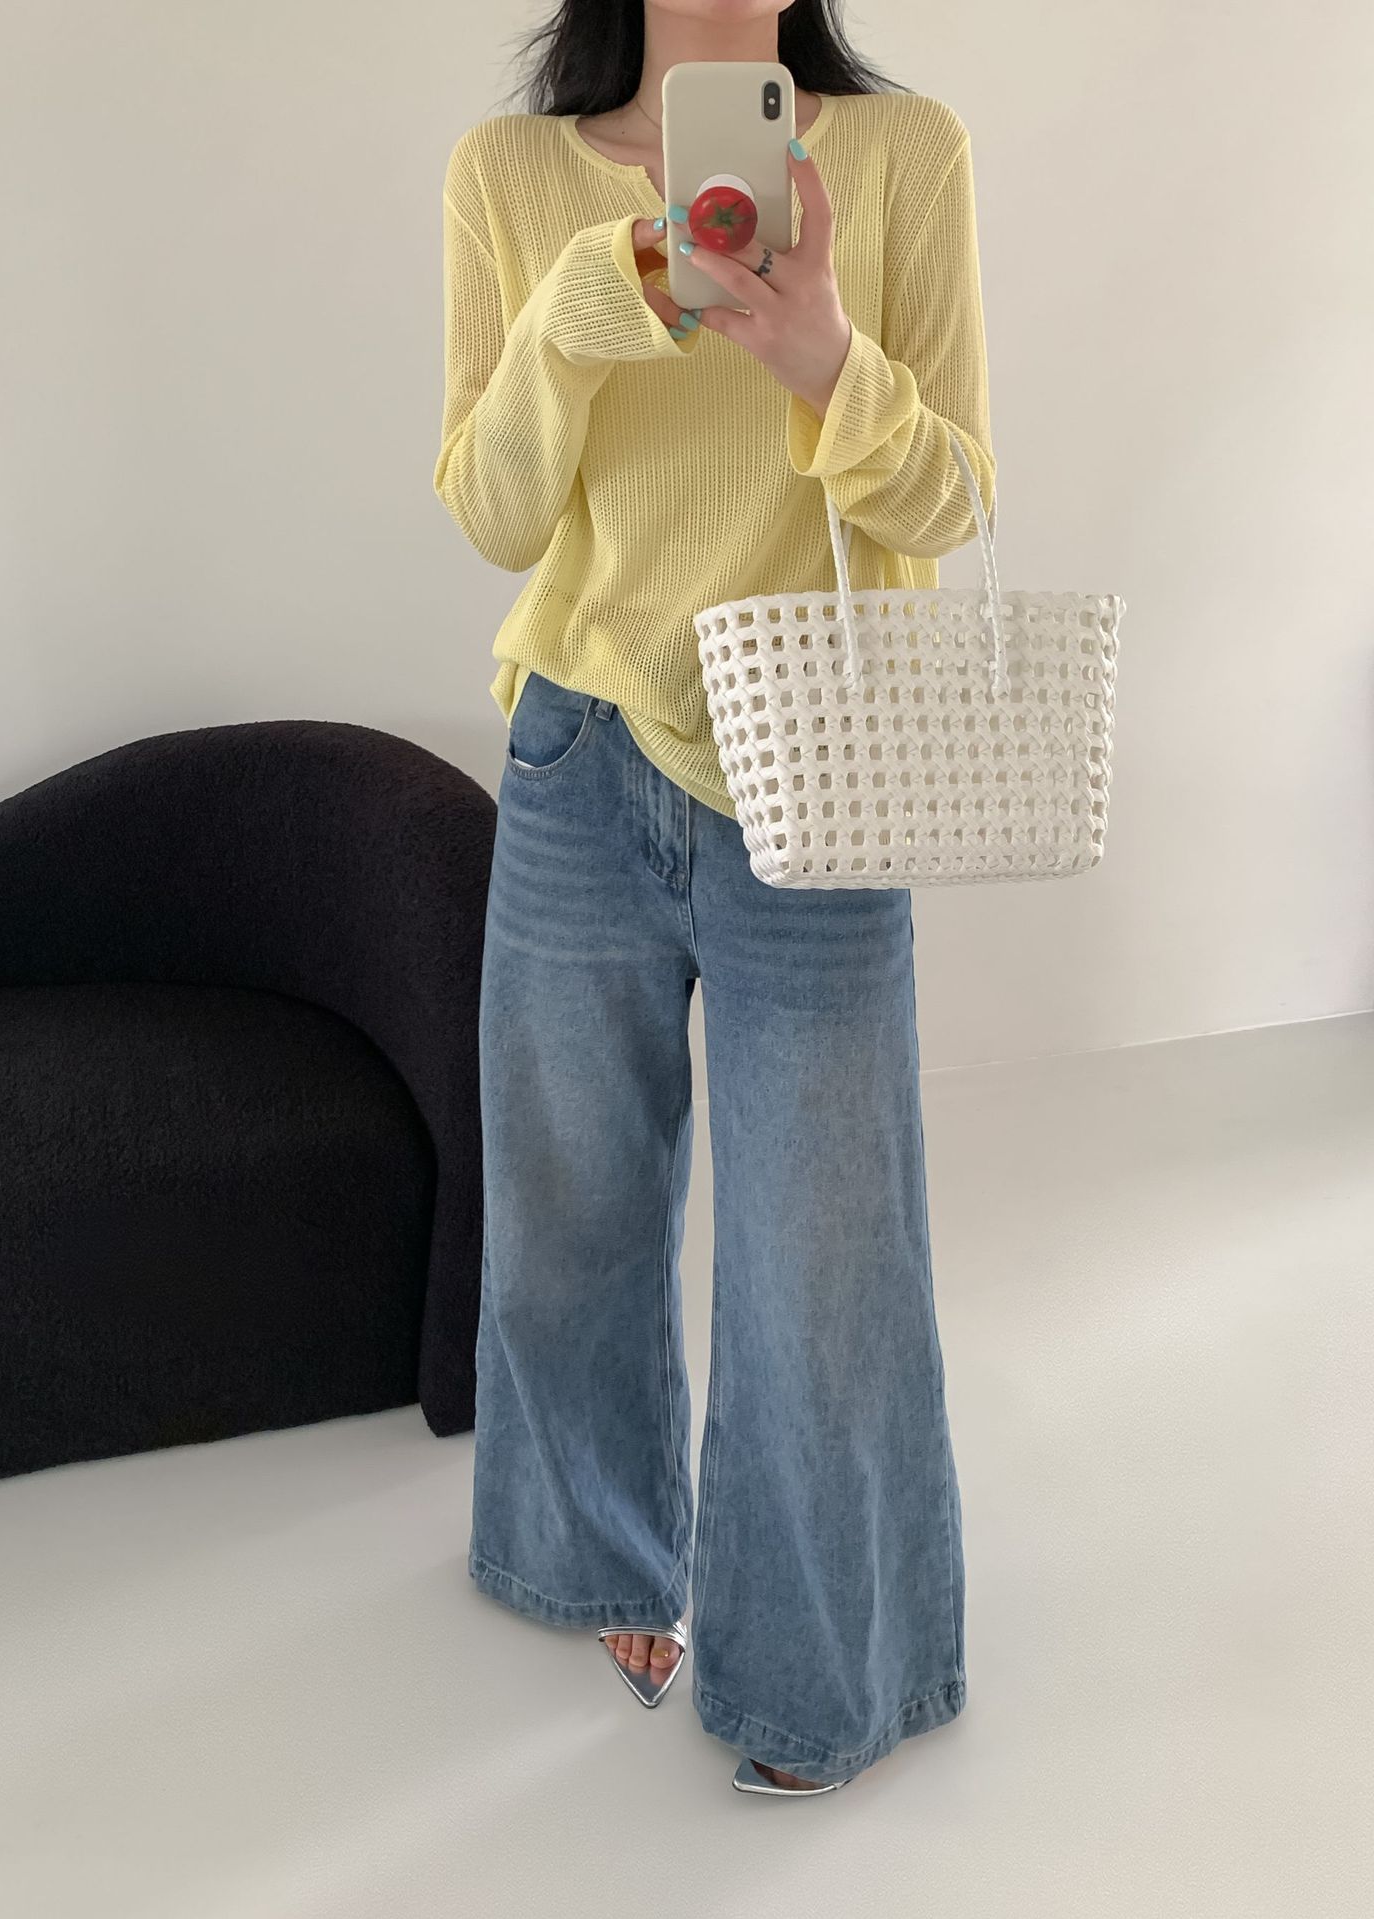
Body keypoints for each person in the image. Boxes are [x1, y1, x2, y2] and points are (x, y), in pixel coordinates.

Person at [433, 0, 995, 1796]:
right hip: (579, 753)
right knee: (566, 1210)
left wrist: (823, 353)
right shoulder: (511, 173)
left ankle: (823, 1670)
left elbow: (953, 499)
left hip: (816, 770)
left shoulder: (902, 156)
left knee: (823, 1260)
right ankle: (593, 1550)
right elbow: (495, 514)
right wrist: (577, 316)